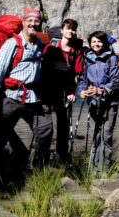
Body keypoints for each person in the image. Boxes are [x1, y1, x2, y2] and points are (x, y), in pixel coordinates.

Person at [0, 8, 53, 168]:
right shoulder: (12, 43)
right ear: (23, 22)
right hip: (12, 97)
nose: (33, 24)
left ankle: (36, 169)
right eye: (30, 20)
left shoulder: (38, 44)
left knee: (45, 128)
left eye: (36, 21)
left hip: (33, 98)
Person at [41, 18, 83, 164]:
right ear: (62, 30)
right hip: (47, 90)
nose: (71, 31)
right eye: (68, 28)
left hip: (65, 92)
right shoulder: (50, 47)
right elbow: (43, 69)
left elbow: (77, 74)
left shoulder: (76, 51)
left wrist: (73, 91)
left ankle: (61, 156)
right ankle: (42, 155)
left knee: (63, 124)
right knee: (45, 123)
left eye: (73, 29)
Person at [78, 31, 119, 173]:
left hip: (110, 103)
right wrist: (82, 91)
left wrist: (100, 90)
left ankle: (106, 169)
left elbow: (116, 81)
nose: (96, 44)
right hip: (94, 103)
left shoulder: (111, 58)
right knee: (96, 134)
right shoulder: (87, 58)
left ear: (104, 43)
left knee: (106, 134)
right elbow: (83, 80)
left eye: (99, 41)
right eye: (93, 41)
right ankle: (94, 169)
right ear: (90, 44)